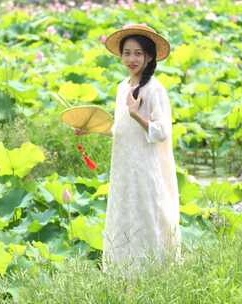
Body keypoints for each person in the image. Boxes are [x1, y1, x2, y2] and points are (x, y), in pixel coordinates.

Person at [75, 24, 181, 276]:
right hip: (122, 168)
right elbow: (119, 129)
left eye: (138, 53)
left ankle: (152, 276)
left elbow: (161, 131)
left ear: (149, 57)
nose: (132, 59)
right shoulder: (122, 87)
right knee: (123, 215)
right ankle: (123, 276)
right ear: (120, 56)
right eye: (127, 53)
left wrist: (137, 115)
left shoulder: (154, 89)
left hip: (144, 168)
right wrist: (90, 129)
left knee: (145, 217)